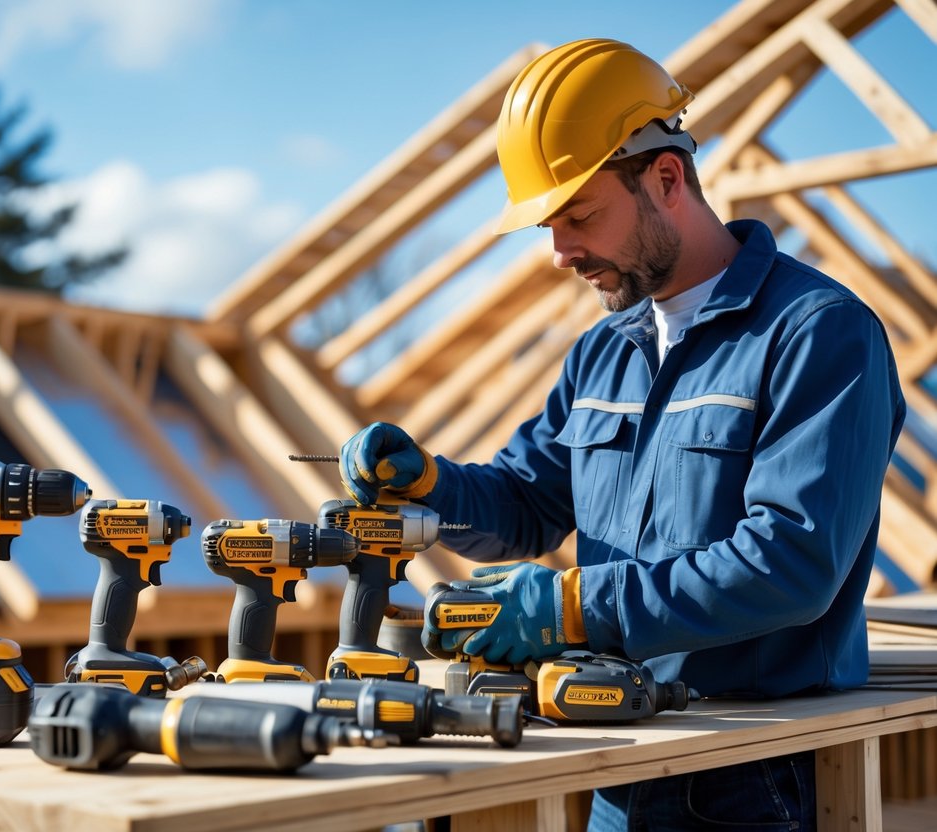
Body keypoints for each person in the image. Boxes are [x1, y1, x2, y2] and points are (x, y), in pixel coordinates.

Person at [338, 38, 905, 831]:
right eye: (549, 223)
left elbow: (791, 564)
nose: (561, 251)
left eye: (578, 216)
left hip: (752, 772)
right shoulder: (605, 350)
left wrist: (573, 609)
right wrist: (431, 483)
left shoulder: (817, 334)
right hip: (618, 754)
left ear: (665, 179)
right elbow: (530, 505)